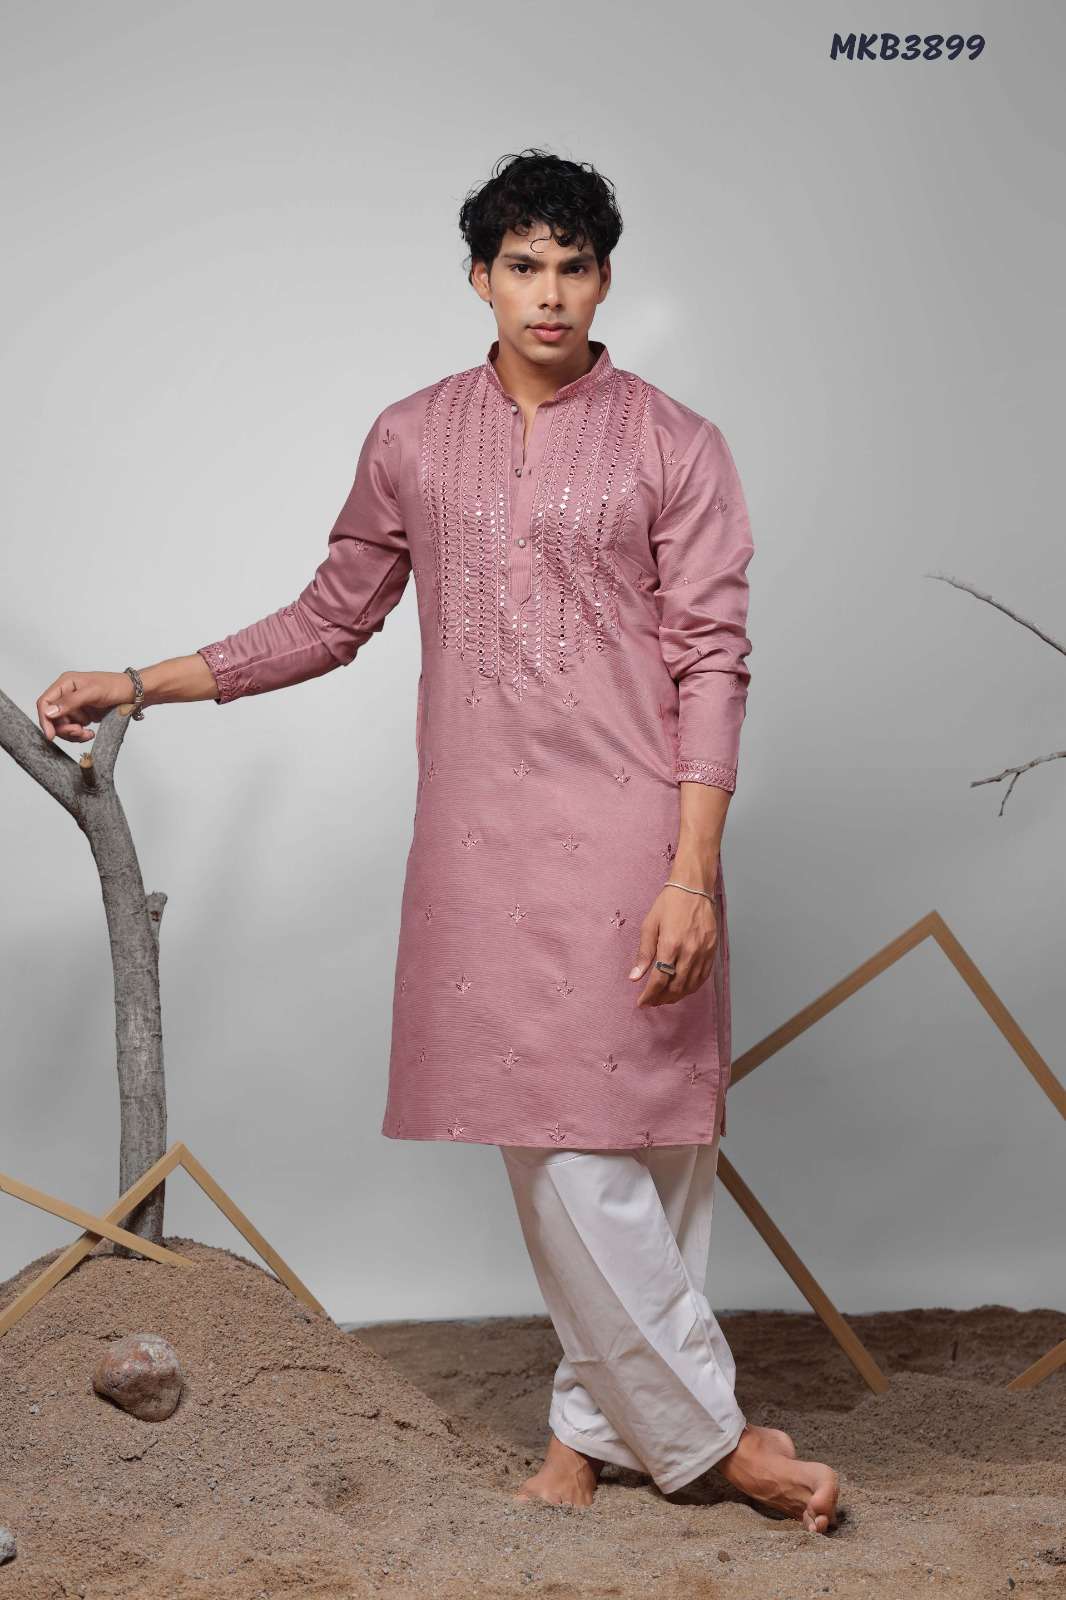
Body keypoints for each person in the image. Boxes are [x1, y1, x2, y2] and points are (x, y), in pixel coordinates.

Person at [36, 147, 839, 1533]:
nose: (549, 293)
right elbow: (329, 617)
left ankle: (596, 1432)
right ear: (478, 277)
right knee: (560, 1144)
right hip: (483, 840)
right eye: (522, 266)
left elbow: (713, 657)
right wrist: (138, 680)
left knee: (644, 1138)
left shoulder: (674, 443)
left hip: (642, 829)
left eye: (573, 267)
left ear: (605, 280)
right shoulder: (412, 438)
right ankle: (708, 1441)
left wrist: (692, 871)